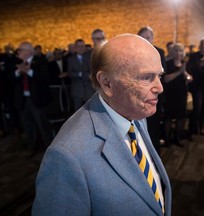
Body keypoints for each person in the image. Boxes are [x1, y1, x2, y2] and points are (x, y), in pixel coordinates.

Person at [32, 34, 172, 216]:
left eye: (159, 75)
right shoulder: (66, 156)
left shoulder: (135, 111)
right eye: (146, 77)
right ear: (106, 82)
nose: (160, 87)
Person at [14, 42, 53, 158]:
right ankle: (32, 147)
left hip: (37, 100)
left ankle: (50, 151)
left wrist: (28, 71)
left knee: (43, 125)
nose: (18, 52)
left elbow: (45, 78)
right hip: (23, 100)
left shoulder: (41, 61)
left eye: (21, 49)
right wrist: (18, 72)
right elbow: (10, 79)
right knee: (28, 125)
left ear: (28, 51)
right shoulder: (18, 63)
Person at [138, 26, 167, 152]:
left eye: (148, 37)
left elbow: (162, 72)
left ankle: (155, 154)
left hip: (154, 93)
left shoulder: (159, 52)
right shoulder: (134, 53)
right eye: (142, 37)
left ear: (153, 38)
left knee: (154, 124)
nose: (145, 39)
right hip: (139, 94)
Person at [163, 43, 192, 147]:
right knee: (168, 117)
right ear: (172, 52)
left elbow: (190, 79)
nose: (179, 53)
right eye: (176, 50)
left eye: (180, 50)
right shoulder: (168, 63)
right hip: (170, 94)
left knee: (181, 117)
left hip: (182, 94)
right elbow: (166, 79)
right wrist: (180, 72)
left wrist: (185, 74)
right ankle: (167, 139)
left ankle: (177, 138)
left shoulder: (186, 63)